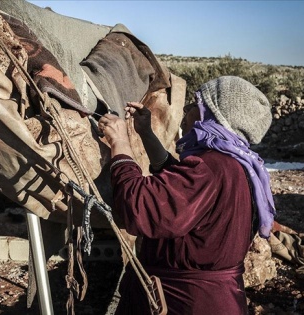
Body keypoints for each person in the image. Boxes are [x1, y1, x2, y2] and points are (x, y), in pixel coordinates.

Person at [98, 76, 276, 314]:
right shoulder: (236, 164)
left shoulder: (210, 168)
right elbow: (182, 189)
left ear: (211, 115)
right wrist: (146, 134)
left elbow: (140, 206)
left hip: (184, 303)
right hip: (213, 300)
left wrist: (119, 142)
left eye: (196, 104)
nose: (186, 109)